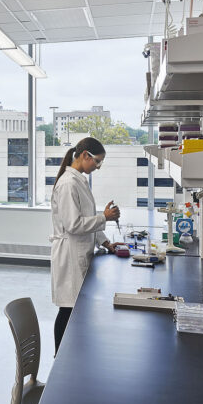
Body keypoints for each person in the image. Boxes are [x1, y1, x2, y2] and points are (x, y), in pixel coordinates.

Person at [49, 137, 120, 355]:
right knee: (68, 309)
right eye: (97, 162)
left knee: (75, 309)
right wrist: (104, 218)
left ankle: (74, 353)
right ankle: (60, 358)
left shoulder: (78, 179)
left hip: (80, 251)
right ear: (85, 156)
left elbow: (87, 219)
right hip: (70, 254)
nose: (98, 167)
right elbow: (73, 225)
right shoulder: (68, 183)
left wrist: (106, 242)